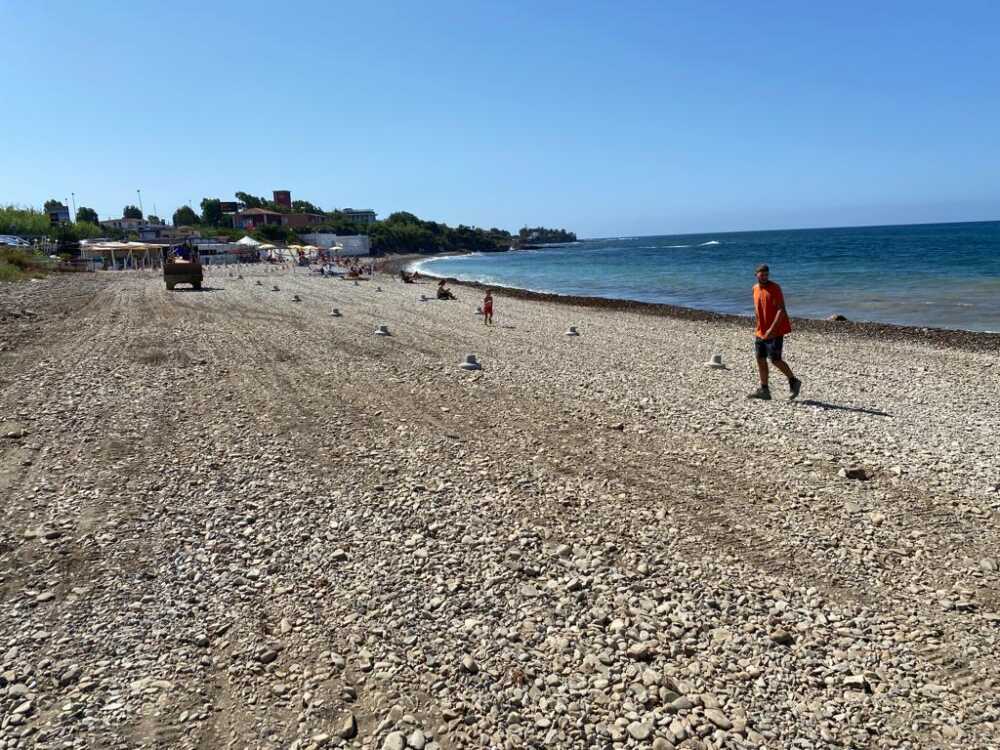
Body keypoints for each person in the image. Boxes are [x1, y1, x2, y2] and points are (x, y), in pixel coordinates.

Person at [748, 264, 802, 400]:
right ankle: (764, 390)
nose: (765, 277)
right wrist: (759, 326)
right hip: (760, 331)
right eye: (762, 275)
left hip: (775, 330)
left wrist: (771, 330)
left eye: (766, 275)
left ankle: (794, 381)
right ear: (756, 275)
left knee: (776, 360)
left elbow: (781, 310)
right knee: (760, 358)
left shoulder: (775, 288)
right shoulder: (755, 288)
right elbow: (758, 308)